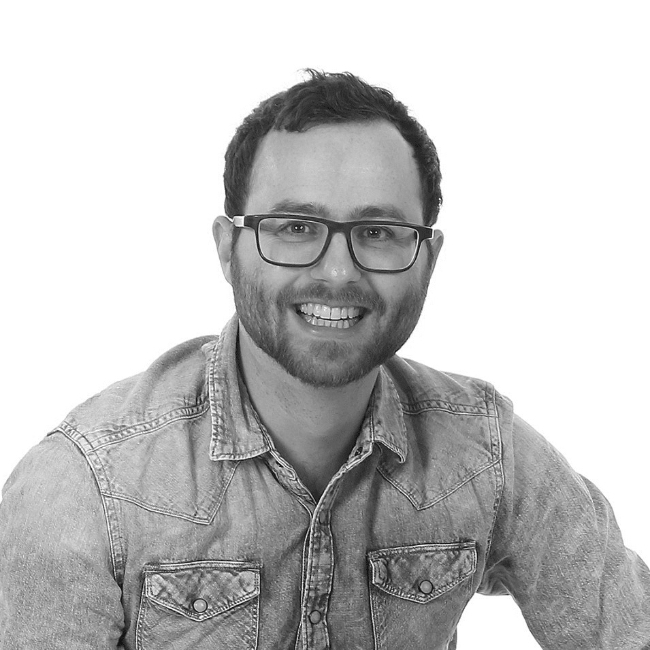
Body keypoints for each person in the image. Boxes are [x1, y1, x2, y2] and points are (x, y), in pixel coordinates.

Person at [0, 70, 648, 650]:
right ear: (227, 248)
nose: (338, 272)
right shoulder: (82, 489)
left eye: (379, 232)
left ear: (428, 258)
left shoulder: (489, 456)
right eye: (295, 227)